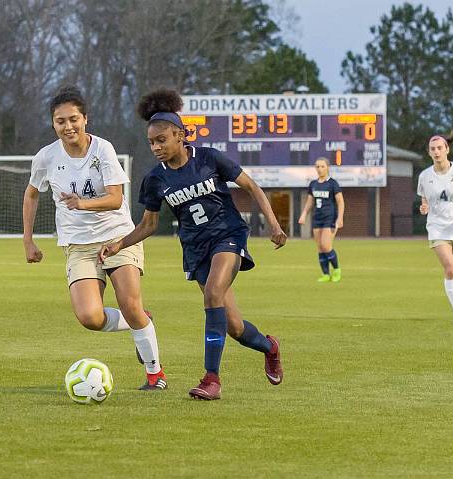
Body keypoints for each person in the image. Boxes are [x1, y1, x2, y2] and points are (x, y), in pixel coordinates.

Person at [100, 89, 285, 400]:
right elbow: (148, 224)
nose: (156, 147)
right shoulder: (155, 179)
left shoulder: (209, 159)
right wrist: (119, 244)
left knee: (213, 293)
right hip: (196, 250)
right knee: (233, 325)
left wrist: (274, 224)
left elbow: (250, 185)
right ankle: (270, 347)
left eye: (162, 140)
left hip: (228, 236)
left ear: (180, 135)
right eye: (151, 142)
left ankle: (211, 379)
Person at [22, 86, 167, 390]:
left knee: (129, 303)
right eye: (60, 121)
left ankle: (155, 375)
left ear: (85, 119)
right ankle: (141, 319)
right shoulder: (46, 157)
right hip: (78, 245)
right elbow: (32, 194)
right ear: (53, 124)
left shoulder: (102, 150)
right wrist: (28, 240)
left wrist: (81, 203)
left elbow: (115, 199)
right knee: (89, 317)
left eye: (73, 119)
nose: (68, 126)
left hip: (118, 238)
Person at [418, 134, 453, 316]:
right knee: (450, 267)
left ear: (447, 149)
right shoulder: (424, 176)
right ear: (429, 152)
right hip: (437, 228)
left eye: (440, 148)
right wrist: (424, 206)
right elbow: (424, 199)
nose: (436, 151)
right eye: (433, 149)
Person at [297, 158, 345, 282]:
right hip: (317, 218)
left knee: (326, 246)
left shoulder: (333, 183)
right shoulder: (313, 184)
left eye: (322, 166)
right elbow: (309, 202)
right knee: (320, 247)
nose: (320, 169)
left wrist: (340, 218)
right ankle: (325, 274)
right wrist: (303, 214)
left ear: (327, 167)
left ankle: (337, 270)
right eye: (317, 166)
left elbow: (340, 202)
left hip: (329, 218)